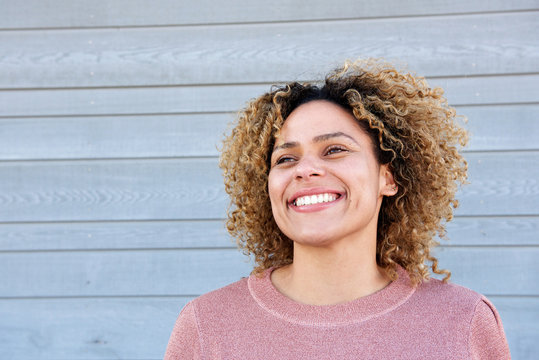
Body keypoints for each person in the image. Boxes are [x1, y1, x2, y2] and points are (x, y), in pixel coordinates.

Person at [164, 59, 510, 359]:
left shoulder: (464, 321)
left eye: (334, 150)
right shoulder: (206, 325)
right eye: (286, 158)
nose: (304, 169)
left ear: (388, 178)